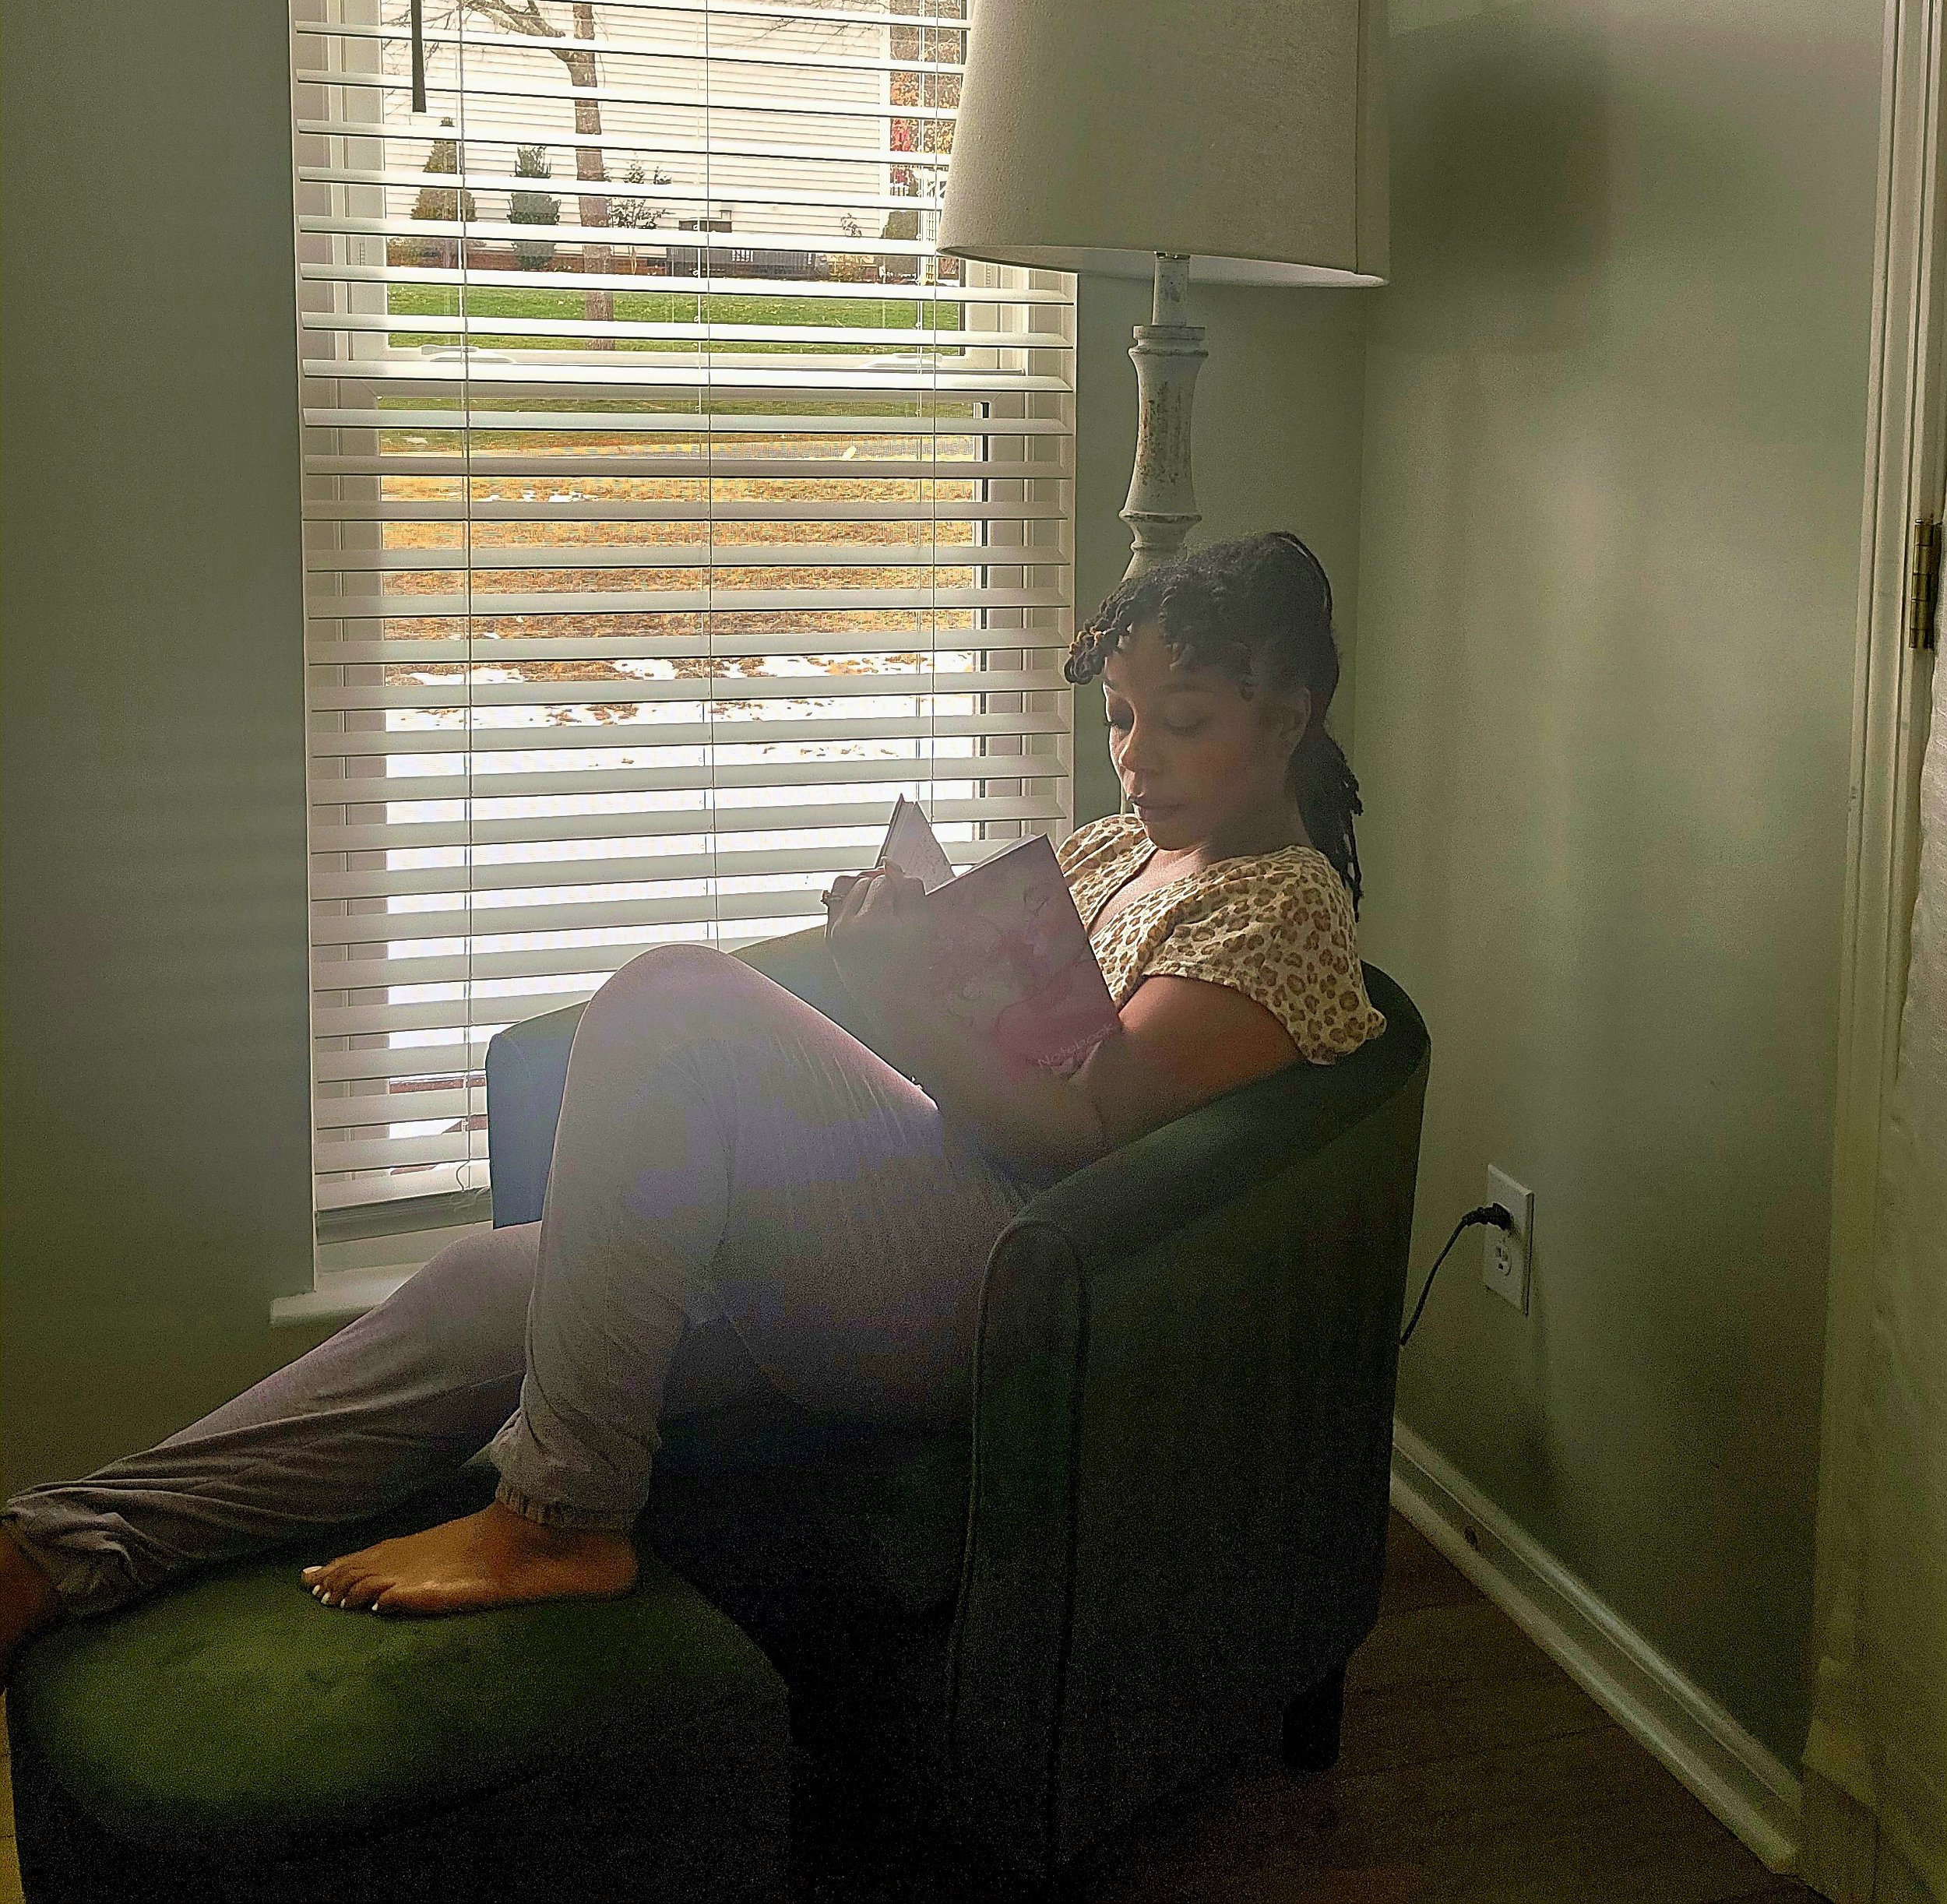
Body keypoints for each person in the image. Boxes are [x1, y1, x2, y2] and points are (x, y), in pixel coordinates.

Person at [0, 531, 1381, 1676]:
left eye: (1183, 722)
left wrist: (895, 992)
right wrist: (917, 949)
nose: (1136, 756)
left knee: (673, 997)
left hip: (1003, 1278)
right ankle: (60, 1546)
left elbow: (1081, 1135)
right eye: (1122, 718)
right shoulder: (1119, 846)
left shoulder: (1284, 907)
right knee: (487, 1285)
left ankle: (561, 1514)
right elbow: (1021, 1034)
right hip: (920, 1201)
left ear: (1288, 717)